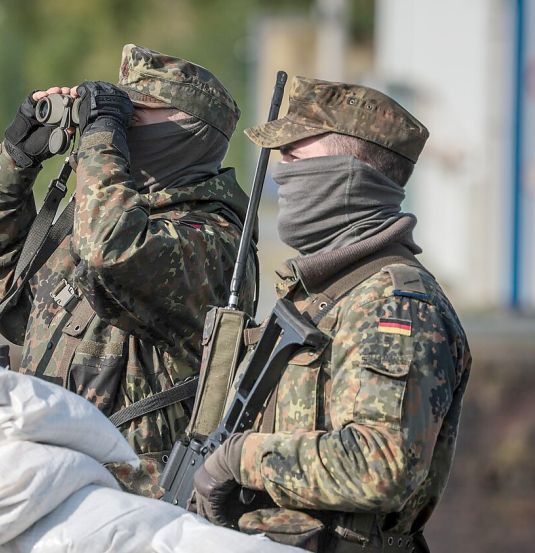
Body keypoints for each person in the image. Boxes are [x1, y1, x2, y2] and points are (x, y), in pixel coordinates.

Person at [0, 44, 257, 495]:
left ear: (187, 131)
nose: (121, 129)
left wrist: (101, 137)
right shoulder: (101, 216)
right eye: (118, 114)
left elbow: (111, 249)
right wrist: (17, 158)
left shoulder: (212, 240)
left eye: (135, 114)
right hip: (51, 481)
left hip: (134, 502)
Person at [192, 77, 472, 553]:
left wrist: (241, 459)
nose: (281, 171)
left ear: (347, 172)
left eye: (294, 154)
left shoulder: (393, 303)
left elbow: (381, 465)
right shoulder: (320, 295)